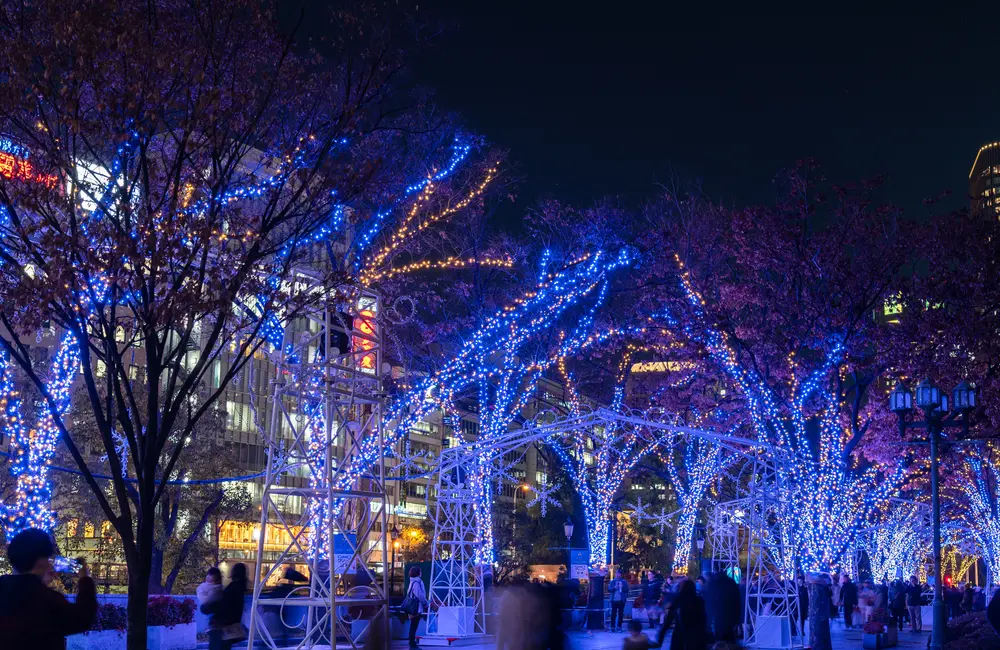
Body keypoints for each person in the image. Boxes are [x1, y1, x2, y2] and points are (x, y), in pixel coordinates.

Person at [0, 528, 97, 650]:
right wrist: (85, 578)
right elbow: (83, 618)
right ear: (41, 561)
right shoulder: (47, 600)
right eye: (48, 559)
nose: (50, 564)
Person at [201, 563, 248, 650]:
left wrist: (206, 608)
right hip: (229, 626)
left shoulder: (234, 587)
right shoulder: (240, 587)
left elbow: (224, 604)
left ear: (234, 572)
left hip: (222, 626)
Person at [654, 579, 709, 650]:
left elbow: (668, 621)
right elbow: (703, 620)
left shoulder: (678, 600)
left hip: (680, 637)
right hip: (696, 637)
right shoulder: (699, 601)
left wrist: (660, 638)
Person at [705, 570, 741, 643]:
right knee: (729, 639)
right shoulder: (731, 583)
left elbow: (709, 601)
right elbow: (737, 602)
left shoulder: (712, 583)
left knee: (719, 639)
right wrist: (737, 619)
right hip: (730, 616)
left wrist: (709, 617)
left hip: (717, 616)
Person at [404, 566, 428, 649]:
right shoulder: (416, 583)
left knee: (413, 625)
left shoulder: (413, 581)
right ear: (418, 573)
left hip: (413, 607)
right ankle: (412, 644)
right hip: (415, 607)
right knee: (414, 626)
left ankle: (412, 643)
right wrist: (425, 602)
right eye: (420, 571)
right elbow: (419, 595)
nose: (421, 573)